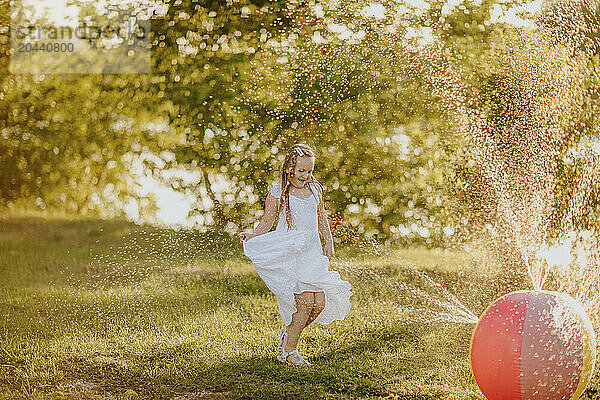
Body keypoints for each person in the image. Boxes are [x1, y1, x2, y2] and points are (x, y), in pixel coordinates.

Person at [238, 142, 353, 367]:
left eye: (309, 171)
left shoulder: (315, 189)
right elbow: (268, 220)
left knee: (318, 303)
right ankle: (289, 351)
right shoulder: (279, 191)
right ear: (290, 167)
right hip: (291, 251)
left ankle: (288, 336)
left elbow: (322, 218)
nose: (306, 175)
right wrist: (252, 235)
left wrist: (328, 242)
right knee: (305, 303)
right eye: (301, 171)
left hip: (312, 252)